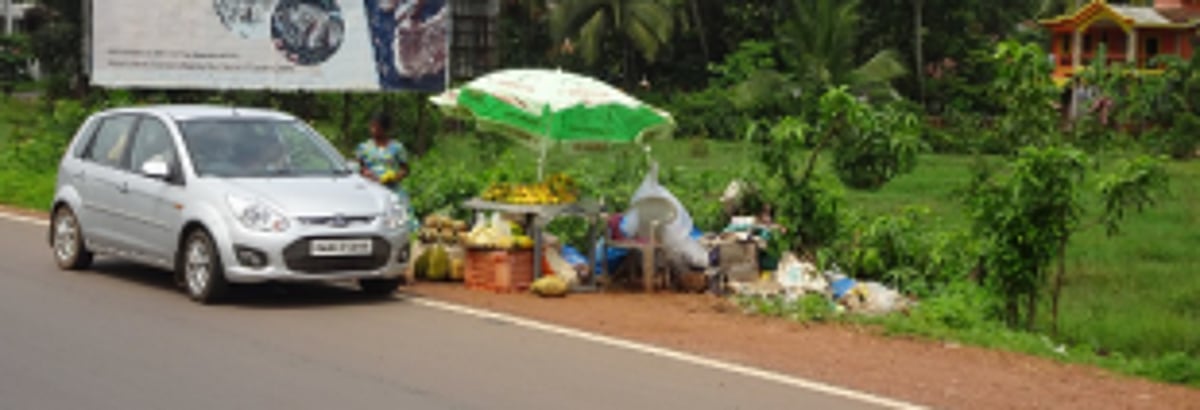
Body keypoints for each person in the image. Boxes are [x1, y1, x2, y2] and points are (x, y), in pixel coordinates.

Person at [355, 111, 418, 230]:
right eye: (371, 126)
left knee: (399, 217)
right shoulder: (364, 147)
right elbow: (359, 167)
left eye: (376, 127)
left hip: (392, 188)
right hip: (370, 188)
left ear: (384, 128)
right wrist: (366, 174)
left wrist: (395, 177)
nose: (373, 130)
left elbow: (405, 169)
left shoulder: (397, 147)